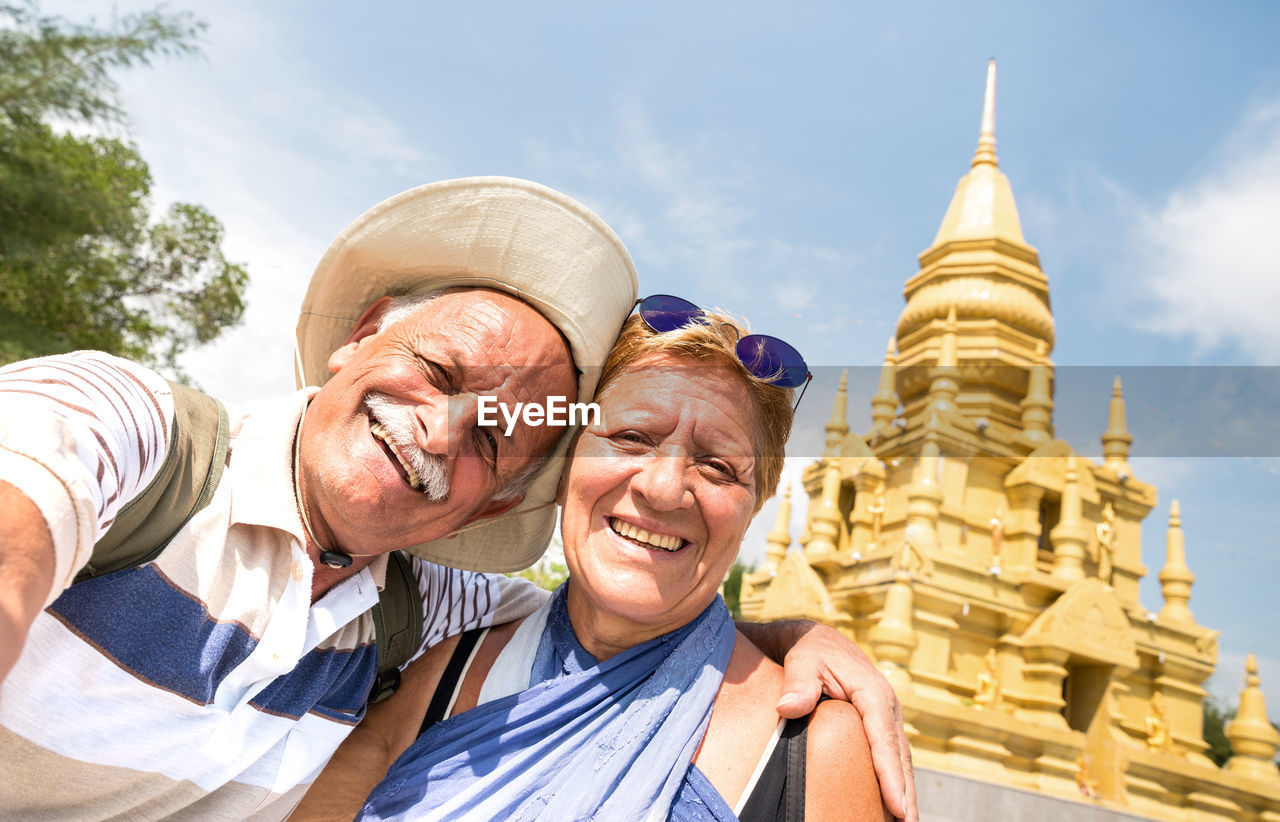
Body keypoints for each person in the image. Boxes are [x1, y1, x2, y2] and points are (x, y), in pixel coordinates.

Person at [0, 179, 916, 820]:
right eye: (630, 439)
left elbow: (624, 625)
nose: (440, 432)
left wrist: (798, 635)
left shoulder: (434, 615)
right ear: (357, 340)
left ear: (494, 503)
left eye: (720, 468)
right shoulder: (133, 433)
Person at [295, 302, 894, 821]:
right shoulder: (441, 663)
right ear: (565, 469)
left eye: (718, 467)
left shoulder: (816, 749)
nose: (662, 488)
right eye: (631, 438)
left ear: (753, 509)